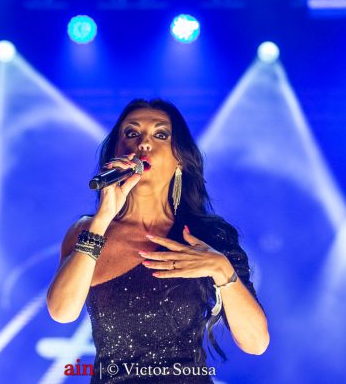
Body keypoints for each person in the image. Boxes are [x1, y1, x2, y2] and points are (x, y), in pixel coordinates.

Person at [46, 98, 269, 383]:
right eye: (131, 133)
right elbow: (62, 312)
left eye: (160, 135)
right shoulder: (88, 231)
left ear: (180, 159)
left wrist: (222, 269)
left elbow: (256, 343)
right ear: (115, 152)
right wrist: (102, 219)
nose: (143, 143)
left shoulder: (209, 235)